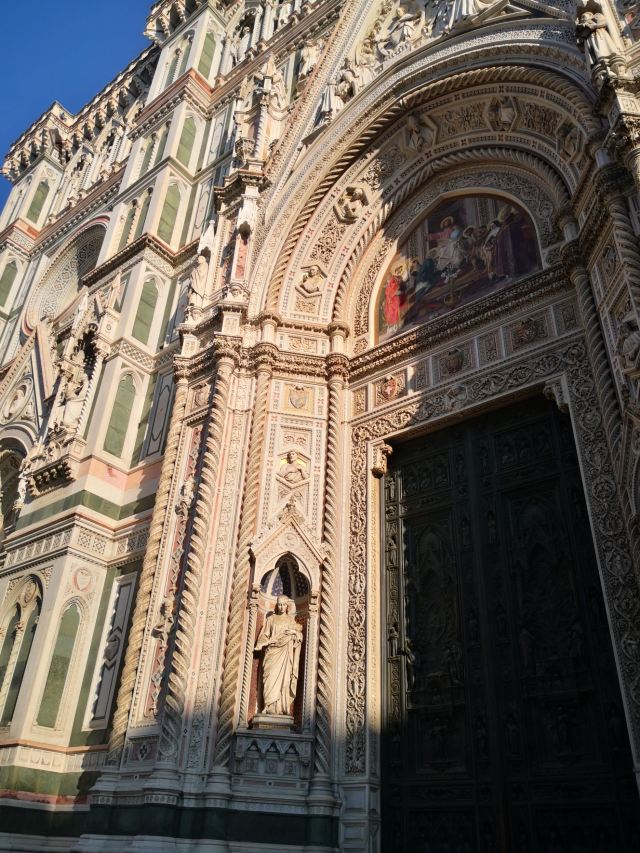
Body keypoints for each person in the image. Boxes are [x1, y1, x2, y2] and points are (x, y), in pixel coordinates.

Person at [255, 595, 303, 715]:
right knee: (270, 679)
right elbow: (265, 635)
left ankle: (281, 708)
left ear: (287, 606)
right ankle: (268, 706)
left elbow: (299, 634)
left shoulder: (290, 621)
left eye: (284, 604)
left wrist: (293, 632)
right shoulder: (271, 619)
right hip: (272, 653)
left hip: (285, 654)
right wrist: (261, 643)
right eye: (280, 604)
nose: (281, 607)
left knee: (284, 680)